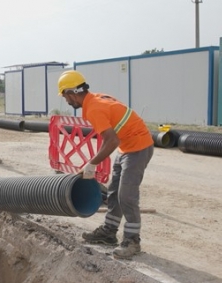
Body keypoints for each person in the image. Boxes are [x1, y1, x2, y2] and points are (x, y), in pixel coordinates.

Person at [57, 70, 154, 259]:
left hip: (138, 147)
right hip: (126, 147)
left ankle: (132, 241)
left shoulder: (94, 108)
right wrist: (92, 162)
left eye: (65, 97)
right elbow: (110, 137)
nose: (67, 102)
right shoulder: (97, 99)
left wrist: (91, 164)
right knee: (113, 193)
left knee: (126, 195)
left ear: (71, 93)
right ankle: (109, 232)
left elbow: (112, 141)